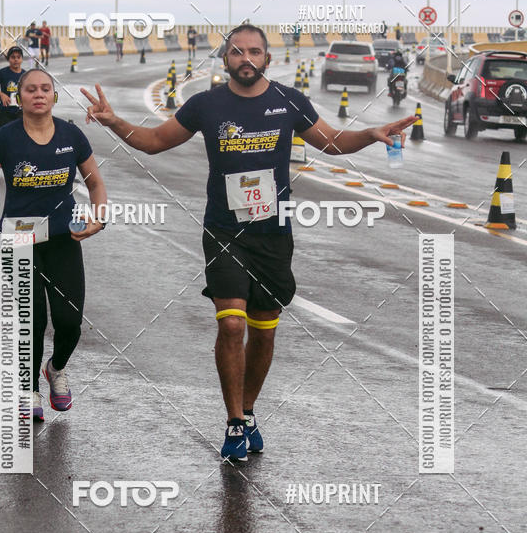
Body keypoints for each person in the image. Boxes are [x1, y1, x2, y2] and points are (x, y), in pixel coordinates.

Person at [81, 24, 415, 461]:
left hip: (274, 233)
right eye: (237, 52)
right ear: (225, 59)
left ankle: (249, 409)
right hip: (224, 231)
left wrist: (370, 134)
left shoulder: (288, 101)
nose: (246, 59)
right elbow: (155, 142)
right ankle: (234, 421)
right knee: (232, 323)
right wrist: (115, 122)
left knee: (263, 328)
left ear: (267, 60)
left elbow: (331, 142)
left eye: (254, 52)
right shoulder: (206, 105)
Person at [0, 68, 107, 421]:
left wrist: (98, 218)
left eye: (45, 89)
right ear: (21, 96)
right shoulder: (5, 138)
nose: (38, 94)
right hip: (18, 240)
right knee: (31, 321)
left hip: (62, 239)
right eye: (30, 89)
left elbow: (97, 185)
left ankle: (56, 369)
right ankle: (29, 391)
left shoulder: (72, 136)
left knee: (70, 322)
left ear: (54, 96)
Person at [0, 45, 25, 128]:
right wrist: (2, 95)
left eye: (18, 57)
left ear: (22, 59)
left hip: (20, 113)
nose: (16, 60)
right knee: (4, 139)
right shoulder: (2, 73)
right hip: (4, 113)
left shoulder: (25, 75)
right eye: (13, 57)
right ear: (9, 59)